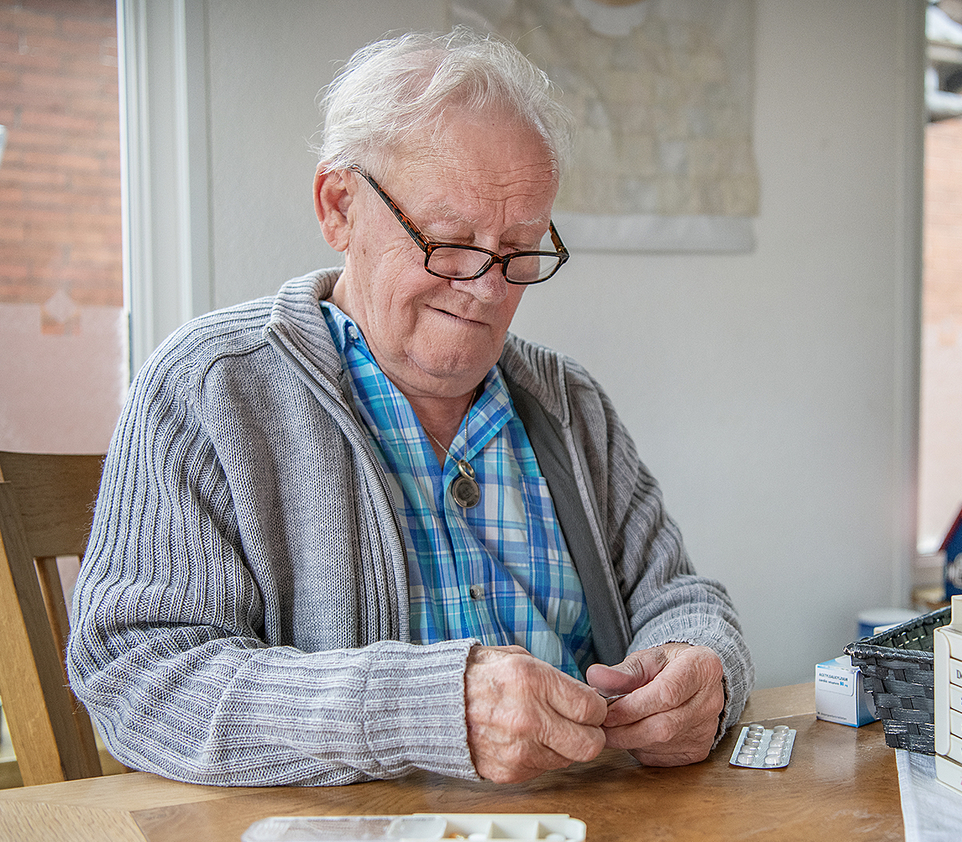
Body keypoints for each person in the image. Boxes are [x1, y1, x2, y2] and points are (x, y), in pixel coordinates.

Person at [67, 27, 752, 787]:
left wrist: (706, 667)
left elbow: (675, 595)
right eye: (450, 243)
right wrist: (424, 710)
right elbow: (137, 675)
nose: (488, 289)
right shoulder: (212, 389)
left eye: (520, 250)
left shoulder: (569, 403)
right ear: (339, 208)